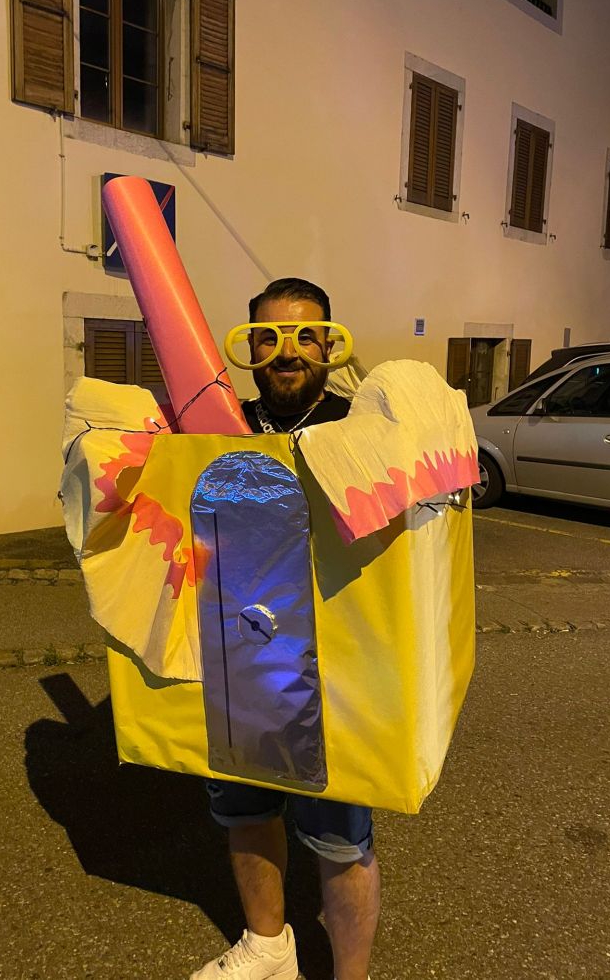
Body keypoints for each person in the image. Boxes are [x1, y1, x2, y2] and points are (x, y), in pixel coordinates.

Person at [191, 279, 379, 980]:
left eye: (304, 336)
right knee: (243, 809)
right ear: (249, 348)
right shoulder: (220, 428)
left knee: (340, 838)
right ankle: (269, 948)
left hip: (335, 669)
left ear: (329, 345)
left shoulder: (362, 430)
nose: (286, 353)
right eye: (267, 338)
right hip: (239, 657)